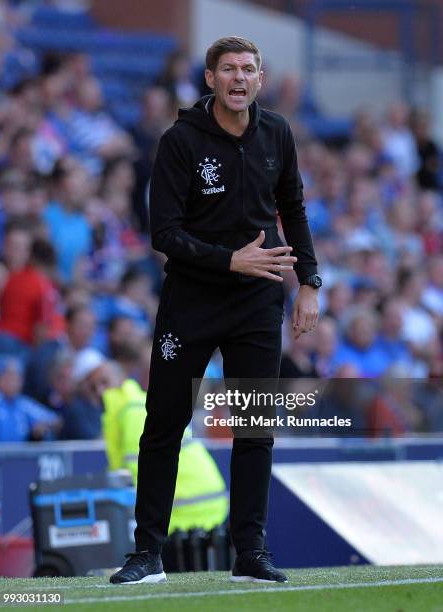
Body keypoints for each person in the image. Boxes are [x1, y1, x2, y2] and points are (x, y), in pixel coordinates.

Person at [110, 36, 320, 586]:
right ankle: (147, 553)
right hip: (193, 300)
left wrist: (310, 284)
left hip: (258, 299)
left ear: (260, 79)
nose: (238, 78)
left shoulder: (277, 132)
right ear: (209, 78)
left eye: (249, 69)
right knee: (164, 425)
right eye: (228, 69)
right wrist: (232, 261)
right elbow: (164, 234)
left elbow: (293, 207)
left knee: (255, 428)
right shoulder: (179, 141)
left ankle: (250, 553)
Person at [83, 355, 228, 537]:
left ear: (122, 379)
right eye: (93, 387)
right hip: (198, 501)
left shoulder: (133, 412)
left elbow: (140, 475)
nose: (99, 391)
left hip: (190, 507)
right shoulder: (131, 408)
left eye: (104, 382)